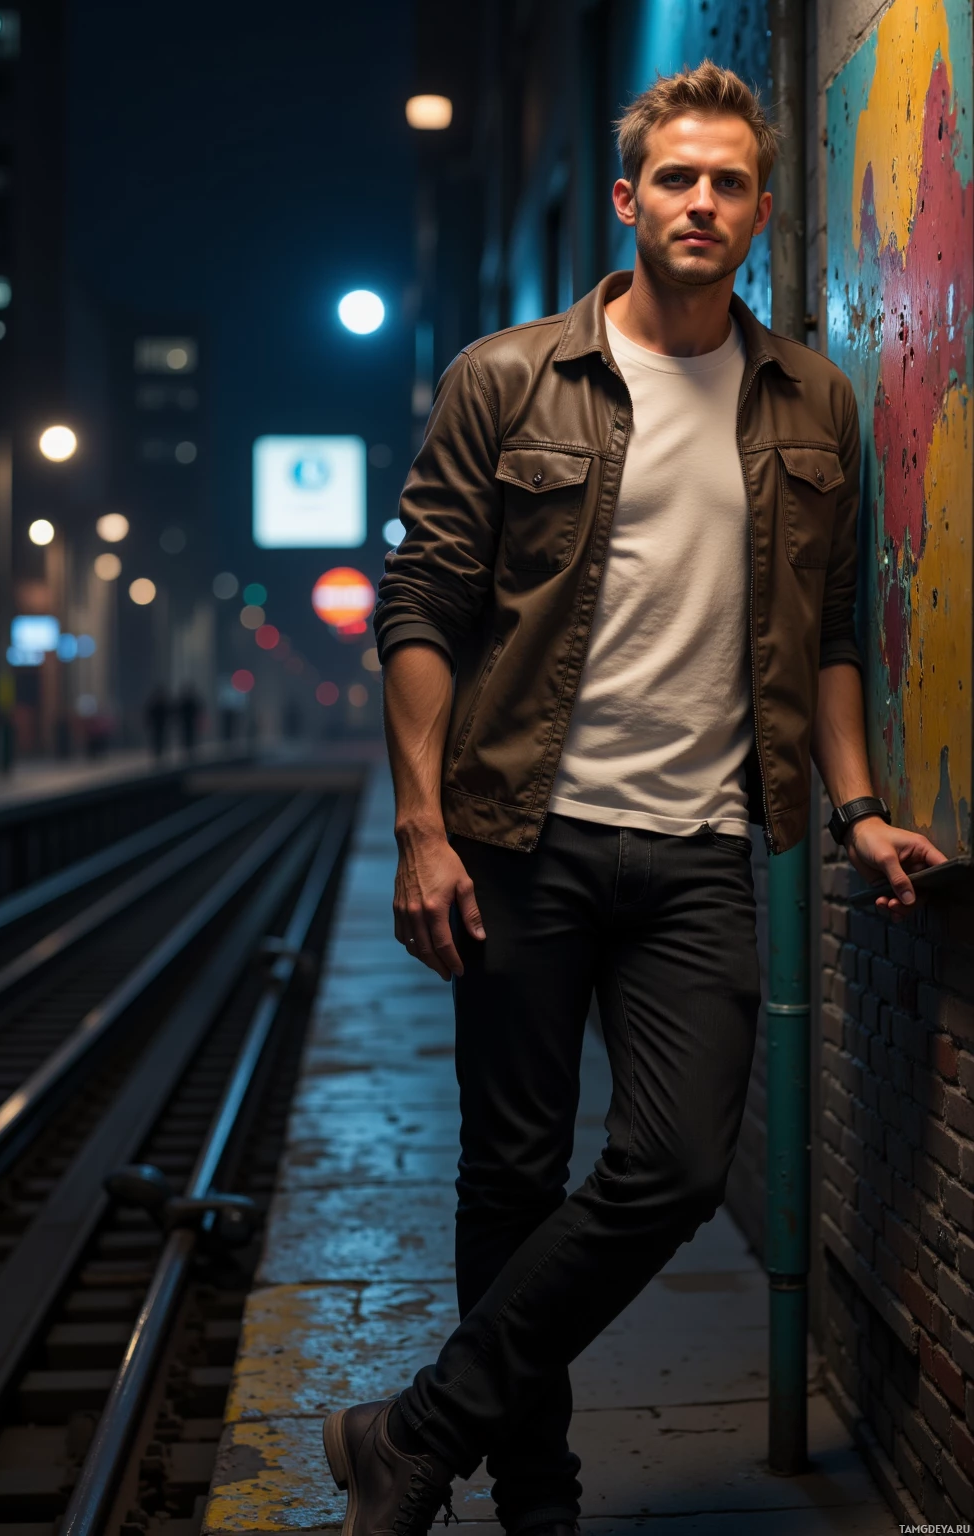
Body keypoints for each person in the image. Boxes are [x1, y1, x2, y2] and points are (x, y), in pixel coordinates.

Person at [322, 62, 947, 1536]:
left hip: (696, 849)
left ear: (762, 213)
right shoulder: (508, 378)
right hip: (517, 839)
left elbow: (836, 631)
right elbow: (417, 605)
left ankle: (415, 1427)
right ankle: (531, 1485)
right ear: (629, 199)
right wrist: (421, 830)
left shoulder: (815, 400)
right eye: (678, 179)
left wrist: (855, 809)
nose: (703, 204)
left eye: (730, 184)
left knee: (668, 1163)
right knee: (513, 1173)